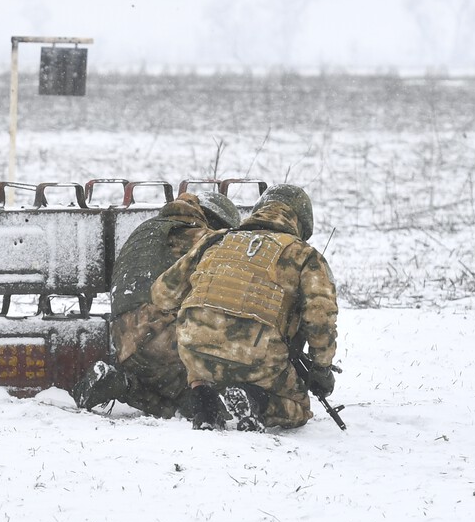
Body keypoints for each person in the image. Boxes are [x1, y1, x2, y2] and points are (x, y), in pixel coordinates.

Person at [148, 184, 339, 431]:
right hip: (257, 355)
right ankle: (253, 399)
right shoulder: (304, 255)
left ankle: (206, 404)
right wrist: (321, 368)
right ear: (302, 223)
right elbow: (320, 317)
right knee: (297, 409)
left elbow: (162, 295)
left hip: (194, 348)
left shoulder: (216, 238)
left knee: (201, 354)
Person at [72, 190, 240, 416]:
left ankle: (123, 383)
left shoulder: (145, 232)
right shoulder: (201, 238)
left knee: (168, 394)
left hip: (124, 340)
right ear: (215, 221)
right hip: (163, 333)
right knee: (213, 400)